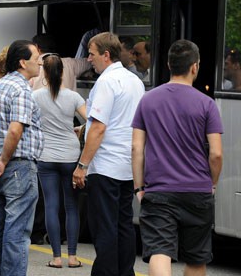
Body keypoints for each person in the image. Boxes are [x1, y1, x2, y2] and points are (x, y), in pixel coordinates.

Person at [132, 40, 223, 276]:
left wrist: (139, 187)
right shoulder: (207, 104)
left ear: (169, 64)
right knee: (196, 259)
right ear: (195, 67)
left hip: (159, 191)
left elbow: (136, 148)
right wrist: (211, 183)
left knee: (160, 252)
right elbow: (216, 153)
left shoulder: (148, 100)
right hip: (198, 191)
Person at [71, 32, 144, 276]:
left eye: (91, 54)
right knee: (125, 224)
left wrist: (82, 165)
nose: (89, 60)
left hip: (106, 167)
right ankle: (126, 272)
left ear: (105, 54)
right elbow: (124, 121)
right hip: (128, 166)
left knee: (104, 227)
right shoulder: (135, 81)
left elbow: (100, 127)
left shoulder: (106, 82)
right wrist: (85, 128)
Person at [0, 40, 43, 276]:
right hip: (18, 165)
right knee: (17, 230)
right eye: (36, 57)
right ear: (22, 62)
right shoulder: (22, 89)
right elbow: (16, 129)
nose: (40, 61)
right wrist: (4, 160)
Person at [32, 54, 87, 268]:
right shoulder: (73, 97)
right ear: (62, 72)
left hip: (46, 156)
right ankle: (72, 257)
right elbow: (91, 120)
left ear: (44, 73)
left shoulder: (35, 96)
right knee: (71, 206)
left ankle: (56, 257)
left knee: (51, 206)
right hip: (70, 155)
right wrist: (79, 129)